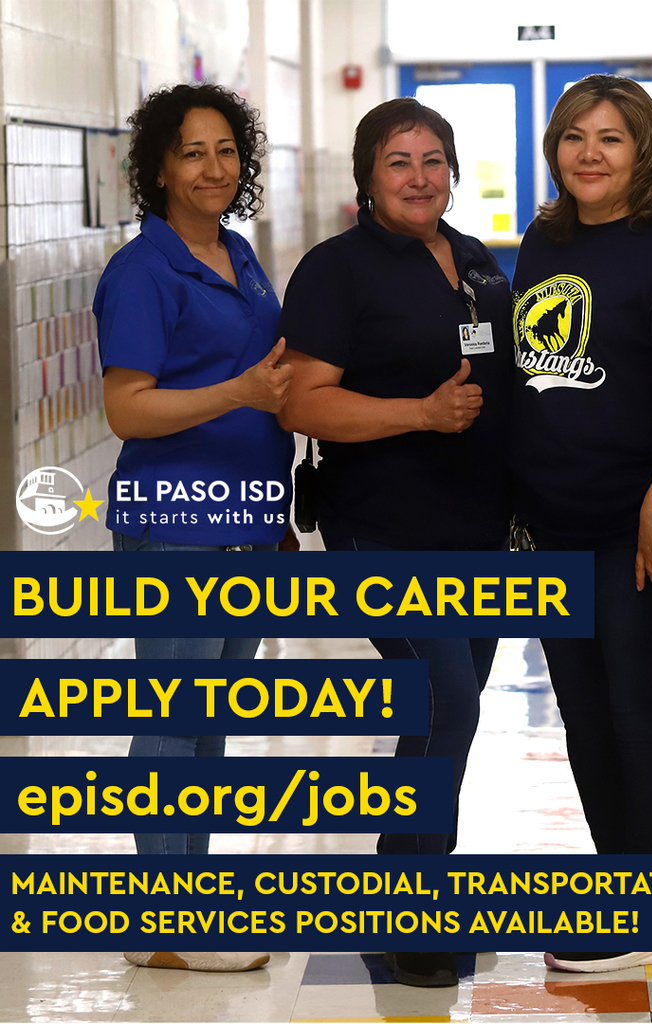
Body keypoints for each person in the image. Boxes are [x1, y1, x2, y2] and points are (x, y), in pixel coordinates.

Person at [276, 97, 512, 989]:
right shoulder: (337, 271)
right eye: (398, 162)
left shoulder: (482, 266)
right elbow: (300, 400)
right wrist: (420, 412)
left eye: (434, 160)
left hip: (480, 532)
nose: (420, 177)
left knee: (446, 715)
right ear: (367, 178)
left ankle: (406, 890)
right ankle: (413, 918)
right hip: (383, 527)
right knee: (443, 703)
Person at [508, 75, 652, 973]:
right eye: (574, 136)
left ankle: (648, 907)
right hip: (555, 522)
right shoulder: (544, 238)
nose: (589, 154)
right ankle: (618, 888)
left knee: (637, 706)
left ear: (644, 150)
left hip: (642, 519)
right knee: (584, 712)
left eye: (610, 138)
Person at [94, 82, 296, 973]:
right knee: (175, 724)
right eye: (192, 152)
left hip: (245, 522)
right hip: (178, 524)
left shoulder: (235, 253)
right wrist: (242, 393)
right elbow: (127, 411)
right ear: (158, 168)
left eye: (225, 150)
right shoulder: (142, 272)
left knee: (206, 727)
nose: (214, 168)